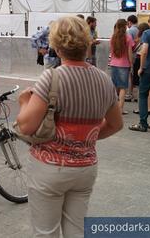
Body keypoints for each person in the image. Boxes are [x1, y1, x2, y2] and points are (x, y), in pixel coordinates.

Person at [15, 16, 122, 237]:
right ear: (87, 43)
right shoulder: (104, 80)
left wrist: (24, 101)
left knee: (46, 232)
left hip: (50, 168)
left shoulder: (52, 78)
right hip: (85, 168)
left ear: (55, 45)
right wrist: (86, 138)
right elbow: (116, 124)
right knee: (76, 231)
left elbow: (25, 126)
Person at [109, 19, 135, 115]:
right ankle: (120, 109)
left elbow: (111, 52)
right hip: (124, 65)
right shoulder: (128, 37)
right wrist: (131, 63)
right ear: (125, 26)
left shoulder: (113, 37)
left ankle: (113, 109)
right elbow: (129, 53)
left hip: (113, 64)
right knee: (123, 87)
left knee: (115, 87)